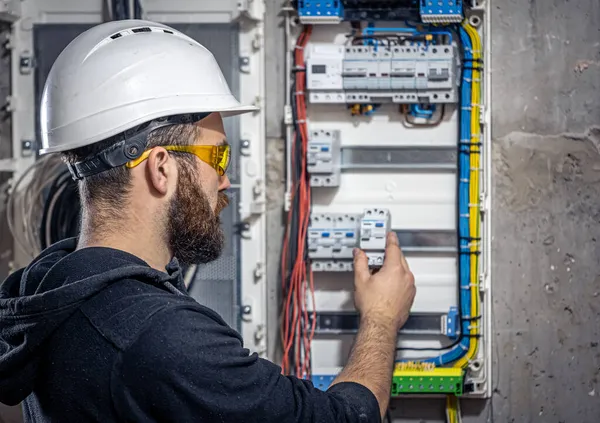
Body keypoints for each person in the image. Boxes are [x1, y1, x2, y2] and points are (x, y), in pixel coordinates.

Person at [0, 20, 416, 422]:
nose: (226, 180)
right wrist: (381, 318)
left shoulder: (50, 287)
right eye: (218, 157)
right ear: (161, 168)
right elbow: (343, 419)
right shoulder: (161, 338)